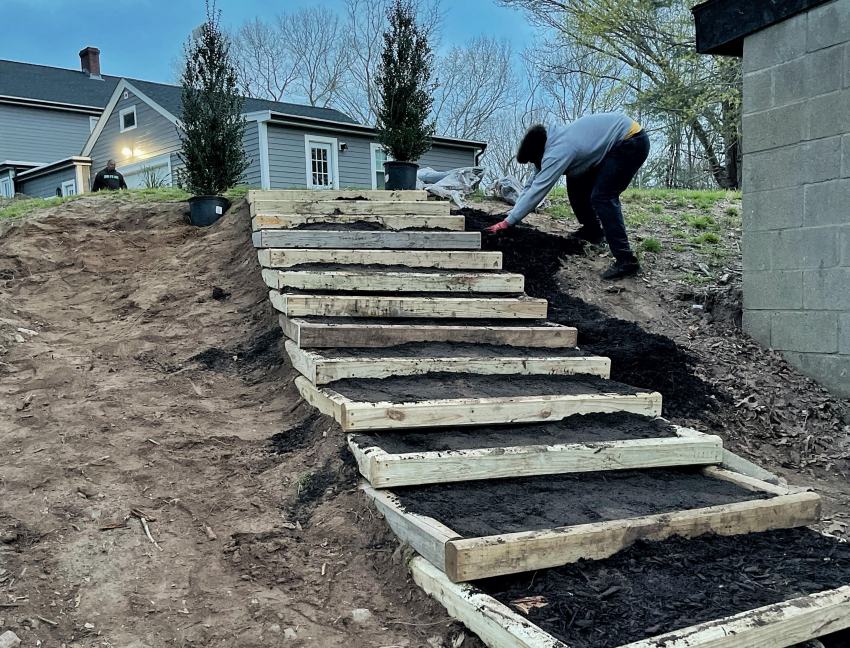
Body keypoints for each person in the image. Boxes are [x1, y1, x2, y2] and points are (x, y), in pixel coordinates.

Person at [485, 113, 650, 280]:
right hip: (613, 144)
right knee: (575, 181)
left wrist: (508, 222)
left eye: (533, 161)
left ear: (538, 154)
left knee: (603, 197)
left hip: (630, 141)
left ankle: (626, 260)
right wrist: (511, 215)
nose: (535, 165)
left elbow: (538, 190)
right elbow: (530, 185)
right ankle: (592, 231)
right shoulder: (549, 144)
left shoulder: (559, 151)